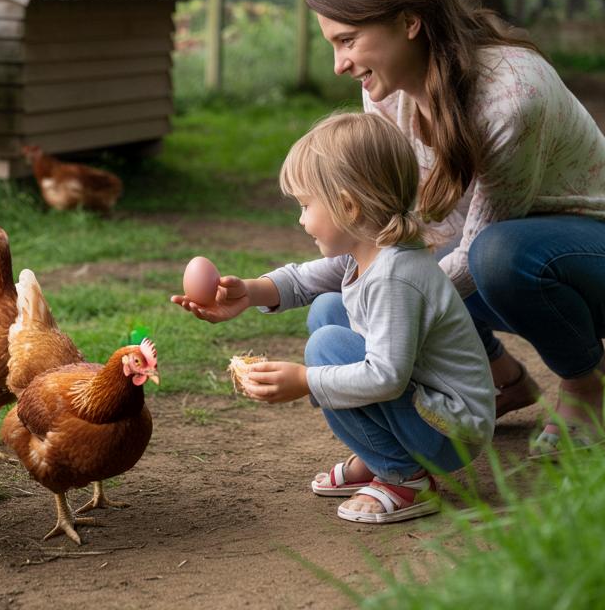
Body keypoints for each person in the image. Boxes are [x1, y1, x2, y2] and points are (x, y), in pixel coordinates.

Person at [304, 0, 605, 454]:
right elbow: (406, 236)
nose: (339, 64)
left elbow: (480, 249)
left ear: (409, 22)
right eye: (332, 45)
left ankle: (588, 385)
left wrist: (391, 307)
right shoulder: (385, 96)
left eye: (348, 41)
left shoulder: (511, 94)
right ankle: (501, 378)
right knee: (367, 292)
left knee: (494, 256)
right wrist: (281, 289)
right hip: (496, 263)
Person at [171, 112, 495, 524]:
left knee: (325, 348)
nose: (301, 219)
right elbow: (304, 281)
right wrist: (249, 293)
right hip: (429, 410)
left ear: (347, 205)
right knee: (327, 308)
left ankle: (404, 476)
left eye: (306, 205)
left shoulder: (394, 276)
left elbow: (386, 378)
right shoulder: (368, 252)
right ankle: (378, 452)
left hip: (450, 431)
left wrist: (306, 379)